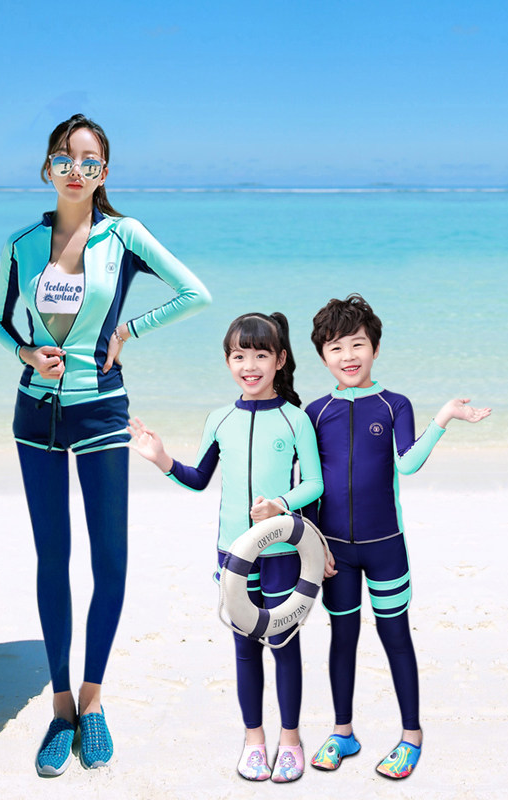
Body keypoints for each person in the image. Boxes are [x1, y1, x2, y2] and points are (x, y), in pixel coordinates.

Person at [0, 113, 210, 775]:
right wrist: (28, 353)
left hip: (103, 414)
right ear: (47, 167)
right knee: (51, 559)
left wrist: (128, 331)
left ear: (104, 172)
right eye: (64, 158)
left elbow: (194, 293)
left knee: (110, 560)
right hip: (36, 418)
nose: (76, 169)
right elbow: (1, 324)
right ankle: (60, 707)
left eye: (89, 160)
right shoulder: (23, 243)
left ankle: (93, 700)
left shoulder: (125, 235)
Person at [129, 312, 325, 783]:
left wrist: (280, 504)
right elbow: (198, 478)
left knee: (284, 645)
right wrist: (161, 458)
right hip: (234, 553)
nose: (249, 366)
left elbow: (314, 484)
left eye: (260, 355)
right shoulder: (220, 419)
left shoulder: (295, 419)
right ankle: (254, 741)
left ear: (280, 359)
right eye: (239, 356)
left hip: (283, 554)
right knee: (245, 648)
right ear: (227, 361)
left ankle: (290, 741)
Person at [305, 293, 490, 780]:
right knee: (342, 638)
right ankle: (343, 733)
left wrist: (443, 418)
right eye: (335, 347)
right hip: (334, 552)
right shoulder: (314, 412)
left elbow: (406, 463)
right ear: (322, 356)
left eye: (357, 344)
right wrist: (312, 543)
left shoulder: (395, 404)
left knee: (395, 637)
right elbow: (310, 485)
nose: (348, 356)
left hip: (386, 546)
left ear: (376, 348)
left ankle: (411, 736)